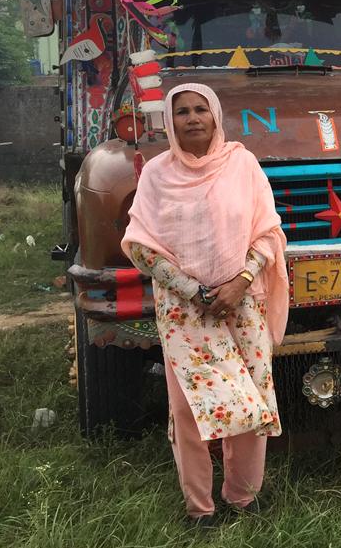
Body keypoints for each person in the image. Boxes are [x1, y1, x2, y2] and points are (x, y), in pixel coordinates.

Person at [121, 83, 289, 525]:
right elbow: (139, 246)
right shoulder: (156, 174)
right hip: (184, 311)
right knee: (191, 409)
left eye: (201, 109)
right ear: (170, 122)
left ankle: (244, 498)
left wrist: (241, 280)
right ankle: (200, 509)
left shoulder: (242, 165)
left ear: (216, 116)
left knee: (251, 403)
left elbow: (267, 232)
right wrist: (195, 290)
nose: (192, 118)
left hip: (242, 301)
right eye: (182, 112)